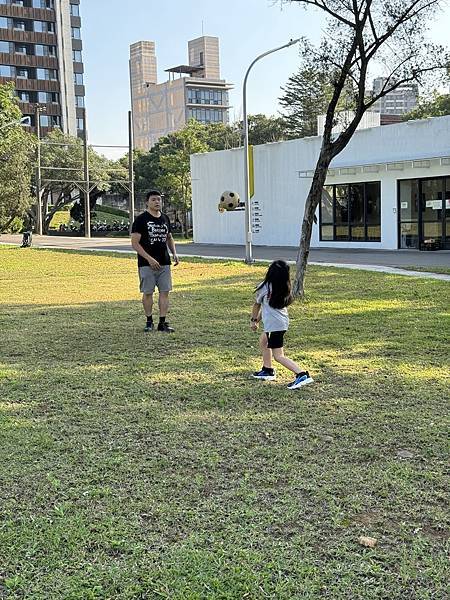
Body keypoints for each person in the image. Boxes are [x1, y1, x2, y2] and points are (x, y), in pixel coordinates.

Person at [250, 260, 313, 390]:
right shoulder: (284, 286)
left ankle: (302, 374)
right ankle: (267, 370)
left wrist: (253, 320)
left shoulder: (264, 286)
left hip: (274, 326)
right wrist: (257, 320)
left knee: (279, 356)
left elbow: (257, 305)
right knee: (263, 341)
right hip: (281, 323)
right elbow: (266, 306)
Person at [131, 190, 179, 333]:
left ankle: (162, 323)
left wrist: (174, 253)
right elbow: (135, 243)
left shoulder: (165, 218)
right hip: (146, 264)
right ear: (147, 202)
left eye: (159, 199)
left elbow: (169, 237)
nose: (157, 202)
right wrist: (149, 258)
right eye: (153, 200)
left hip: (164, 262)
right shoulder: (141, 220)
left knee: (165, 292)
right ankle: (149, 321)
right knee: (148, 293)